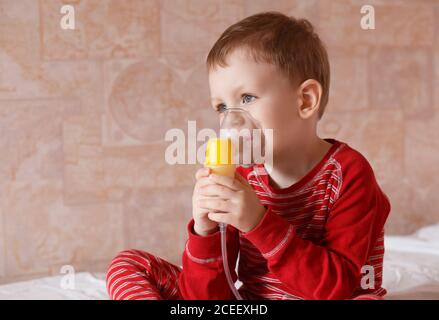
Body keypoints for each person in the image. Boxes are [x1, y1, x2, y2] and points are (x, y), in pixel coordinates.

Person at [106, 11, 391, 300]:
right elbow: (209, 297)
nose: (232, 119)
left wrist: (259, 223)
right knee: (127, 264)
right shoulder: (242, 178)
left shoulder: (349, 173)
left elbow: (336, 287)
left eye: (247, 99)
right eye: (221, 107)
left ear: (304, 100)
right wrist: (206, 232)